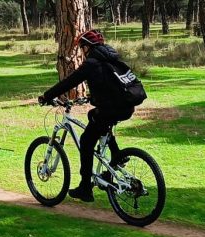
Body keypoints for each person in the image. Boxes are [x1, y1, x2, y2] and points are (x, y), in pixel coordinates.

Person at [38, 29, 146, 203]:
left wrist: (47, 96)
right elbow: (110, 85)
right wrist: (91, 98)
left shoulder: (92, 63)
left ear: (88, 47)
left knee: (87, 141)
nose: (82, 51)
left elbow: (69, 82)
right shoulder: (112, 59)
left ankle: (85, 187)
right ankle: (117, 156)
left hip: (111, 109)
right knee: (94, 116)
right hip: (127, 107)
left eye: (82, 47)